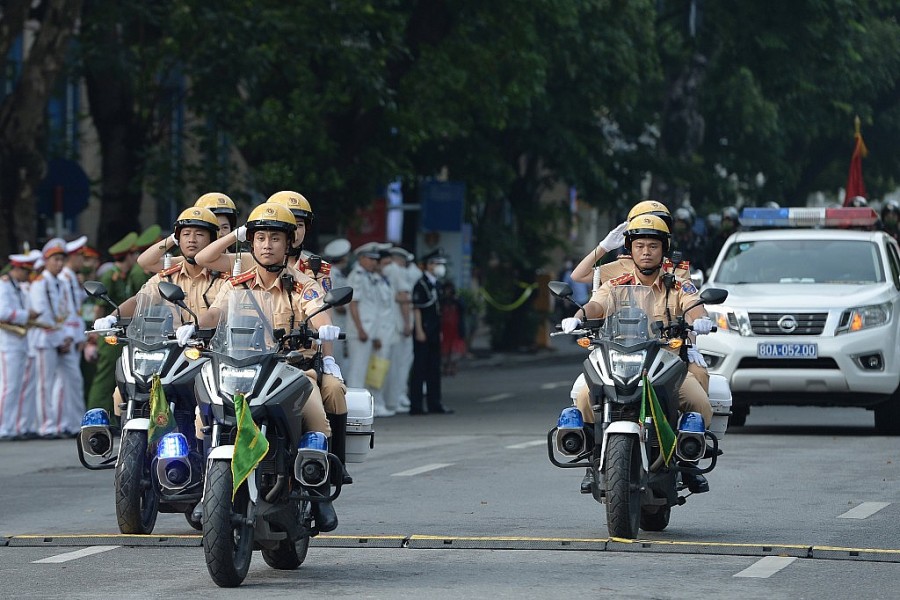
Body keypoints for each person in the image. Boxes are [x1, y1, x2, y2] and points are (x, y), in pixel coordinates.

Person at [180, 203, 342, 531]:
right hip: (241, 369)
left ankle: (318, 491)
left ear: (288, 244)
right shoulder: (236, 283)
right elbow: (216, 313)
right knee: (203, 417)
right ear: (251, 244)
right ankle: (206, 489)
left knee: (317, 420)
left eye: (276, 239)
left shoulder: (302, 284)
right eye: (261, 238)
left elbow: (318, 310)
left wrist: (324, 328)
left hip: (292, 371)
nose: (267, 245)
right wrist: (194, 324)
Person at [561, 215, 715, 494]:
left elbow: (694, 305)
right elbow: (596, 304)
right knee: (584, 396)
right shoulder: (617, 281)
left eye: (653, 246)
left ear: (663, 249)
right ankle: (592, 460)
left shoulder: (678, 283)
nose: (646, 251)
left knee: (699, 402)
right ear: (630, 249)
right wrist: (577, 317)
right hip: (620, 359)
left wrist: (700, 319)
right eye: (640, 245)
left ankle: (687, 461)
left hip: (665, 361)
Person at [93, 208, 230, 425]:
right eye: (185, 234)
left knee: (206, 412)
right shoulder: (168, 275)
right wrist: (112, 317)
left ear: (213, 240)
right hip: (170, 354)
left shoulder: (227, 278)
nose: (192, 240)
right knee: (122, 393)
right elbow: (140, 300)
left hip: (211, 355)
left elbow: (218, 313)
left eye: (199, 234)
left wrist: (196, 327)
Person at [570, 200, 692, 288]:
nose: (646, 251)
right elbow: (578, 276)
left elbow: (689, 307)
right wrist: (603, 247)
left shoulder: (677, 269)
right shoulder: (622, 266)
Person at [86, 232, 139, 424]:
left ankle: (114, 419)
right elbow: (99, 307)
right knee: (105, 378)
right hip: (107, 334)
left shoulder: (123, 276)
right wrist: (94, 335)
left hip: (120, 335)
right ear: (129, 256)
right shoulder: (110, 276)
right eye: (134, 255)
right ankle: (94, 418)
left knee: (118, 379)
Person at [30, 239, 78, 438]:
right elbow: (43, 314)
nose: (59, 264)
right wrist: (61, 337)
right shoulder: (39, 283)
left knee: (72, 379)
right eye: (55, 259)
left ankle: (69, 423)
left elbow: (67, 312)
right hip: (45, 339)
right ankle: (47, 426)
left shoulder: (62, 282)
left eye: (61, 260)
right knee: (45, 384)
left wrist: (68, 336)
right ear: (46, 261)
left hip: (62, 338)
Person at [345, 241, 394, 417]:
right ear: (362, 258)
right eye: (371, 259)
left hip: (371, 331)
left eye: (375, 260)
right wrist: (360, 329)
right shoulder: (356, 276)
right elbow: (354, 305)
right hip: (360, 332)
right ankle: (352, 409)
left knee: (370, 370)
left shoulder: (371, 276)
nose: (374, 263)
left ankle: (367, 406)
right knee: (358, 370)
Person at [0, 252, 41, 440]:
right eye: (26, 271)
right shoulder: (4, 285)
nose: (28, 275)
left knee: (20, 387)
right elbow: (3, 312)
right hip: (8, 343)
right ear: (17, 269)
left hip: (20, 343)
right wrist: (26, 315)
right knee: (9, 387)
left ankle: (17, 426)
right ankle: (4, 427)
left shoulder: (17, 286)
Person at [409, 248, 454, 415]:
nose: (439, 267)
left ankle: (435, 403)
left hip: (435, 330)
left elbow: (439, 310)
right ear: (428, 266)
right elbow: (417, 309)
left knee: (434, 368)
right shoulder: (421, 284)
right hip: (424, 329)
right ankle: (416, 405)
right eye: (437, 264)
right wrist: (419, 330)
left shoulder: (437, 285)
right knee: (420, 367)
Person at [54, 236, 90, 435]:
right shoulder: (63, 279)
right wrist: (69, 336)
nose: (82, 262)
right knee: (63, 384)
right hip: (66, 336)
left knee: (73, 382)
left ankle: (73, 422)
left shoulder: (70, 279)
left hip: (73, 336)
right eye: (80, 257)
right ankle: (62, 424)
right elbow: (64, 313)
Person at [381, 246, 415, 413]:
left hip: (389, 324)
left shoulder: (386, 271)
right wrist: (408, 323)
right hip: (399, 325)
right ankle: (395, 398)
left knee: (389, 364)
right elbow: (404, 298)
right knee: (400, 364)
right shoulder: (397, 270)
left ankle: (392, 399)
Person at [439, 281, 466, 376]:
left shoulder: (457, 300)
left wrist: (456, 299)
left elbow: (463, 308)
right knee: (444, 350)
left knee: (455, 349)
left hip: (455, 329)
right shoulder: (442, 301)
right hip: (445, 328)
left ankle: (453, 367)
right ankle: (446, 367)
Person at [703, 206, 740, 270]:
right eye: (725, 220)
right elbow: (708, 256)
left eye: (729, 220)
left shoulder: (739, 238)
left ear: (735, 223)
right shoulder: (716, 239)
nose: (726, 223)